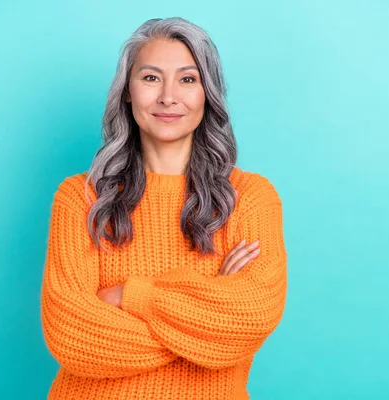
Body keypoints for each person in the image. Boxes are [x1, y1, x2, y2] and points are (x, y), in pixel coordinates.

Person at [40, 16, 287, 400]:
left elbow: (248, 320)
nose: (168, 97)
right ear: (127, 91)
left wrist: (129, 296)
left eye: (188, 79)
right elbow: (72, 336)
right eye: (151, 78)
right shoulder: (81, 198)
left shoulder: (249, 197)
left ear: (208, 93)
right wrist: (205, 314)